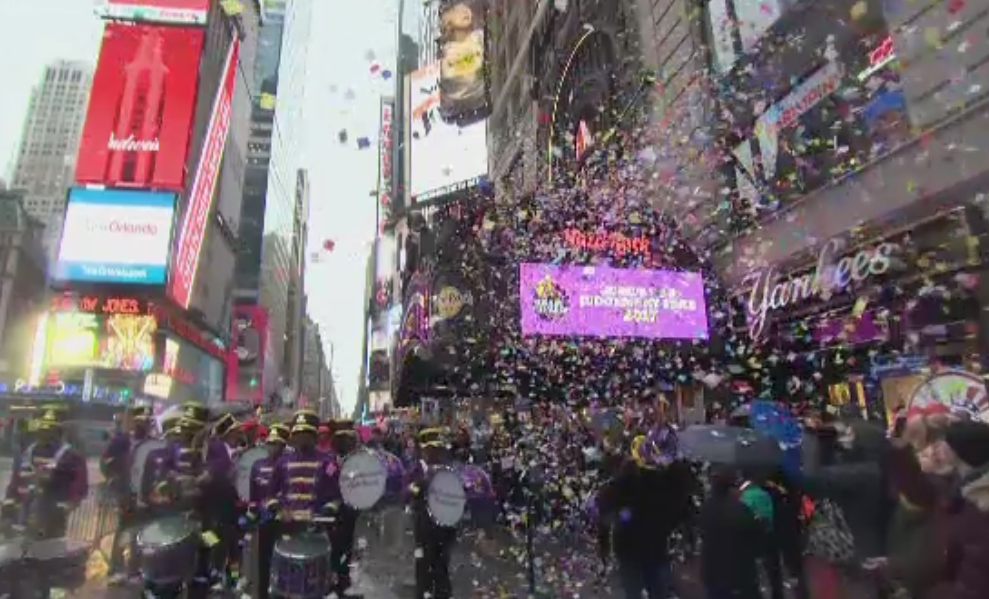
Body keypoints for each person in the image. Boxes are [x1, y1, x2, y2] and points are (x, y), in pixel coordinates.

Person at [598, 431, 692, 599]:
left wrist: (605, 542)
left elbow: (604, 503)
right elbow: (680, 507)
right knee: (657, 588)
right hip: (654, 545)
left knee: (635, 590)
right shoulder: (663, 479)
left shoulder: (626, 478)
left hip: (631, 546)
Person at [1, 405, 88, 540]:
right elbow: (15, 482)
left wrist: (65, 508)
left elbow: (80, 488)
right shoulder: (27, 454)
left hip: (50, 521)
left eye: (49, 430)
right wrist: (8, 508)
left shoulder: (72, 457)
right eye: (42, 429)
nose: (43, 434)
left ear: (58, 432)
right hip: (22, 517)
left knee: (47, 548)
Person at [926, 420, 989, 599]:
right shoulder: (959, 489)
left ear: (958, 450)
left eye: (944, 442)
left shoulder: (979, 502)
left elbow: (976, 567)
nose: (937, 447)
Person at [698, 465, 765, 599]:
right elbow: (756, 536)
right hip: (739, 573)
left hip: (712, 571)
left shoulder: (705, 508)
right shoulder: (740, 509)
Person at [105, 404, 153, 585]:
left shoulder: (152, 443)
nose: (143, 425)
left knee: (140, 534)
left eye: (146, 422)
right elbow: (107, 462)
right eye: (139, 422)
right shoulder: (121, 441)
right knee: (124, 532)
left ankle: (134, 569)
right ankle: (116, 568)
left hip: (145, 496)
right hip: (126, 494)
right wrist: (114, 478)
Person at [410, 427, 458, 599]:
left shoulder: (449, 471)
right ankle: (426, 592)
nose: (433, 453)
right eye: (430, 449)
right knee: (425, 564)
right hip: (426, 527)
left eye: (436, 450)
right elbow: (407, 491)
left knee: (439, 565)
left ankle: (439, 593)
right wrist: (418, 487)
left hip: (441, 527)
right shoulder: (417, 469)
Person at [203, 412, 245, 589]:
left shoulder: (236, 451)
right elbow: (217, 474)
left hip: (233, 507)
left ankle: (232, 578)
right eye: (235, 431)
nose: (239, 434)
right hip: (218, 506)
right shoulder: (216, 449)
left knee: (235, 546)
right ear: (227, 433)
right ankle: (216, 577)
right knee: (218, 542)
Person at [249, 423, 289, 599]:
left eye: (275, 443)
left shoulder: (288, 465)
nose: (271, 447)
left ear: (283, 445)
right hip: (264, 521)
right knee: (263, 562)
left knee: (283, 560)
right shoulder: (257, 465)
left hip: (284, 521)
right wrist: (252, 513)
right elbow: (253, 495)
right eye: (269, 443)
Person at [326, 420, 362, 598]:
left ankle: (346, 585)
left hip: (353, 513)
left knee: (350, 550)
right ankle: (335, 585)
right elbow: (326, 483)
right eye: (340, 439)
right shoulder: (330, 462)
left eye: (348, 439)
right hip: (333, 515)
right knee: (335, 550)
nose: (344, 443)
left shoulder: (359, 463)